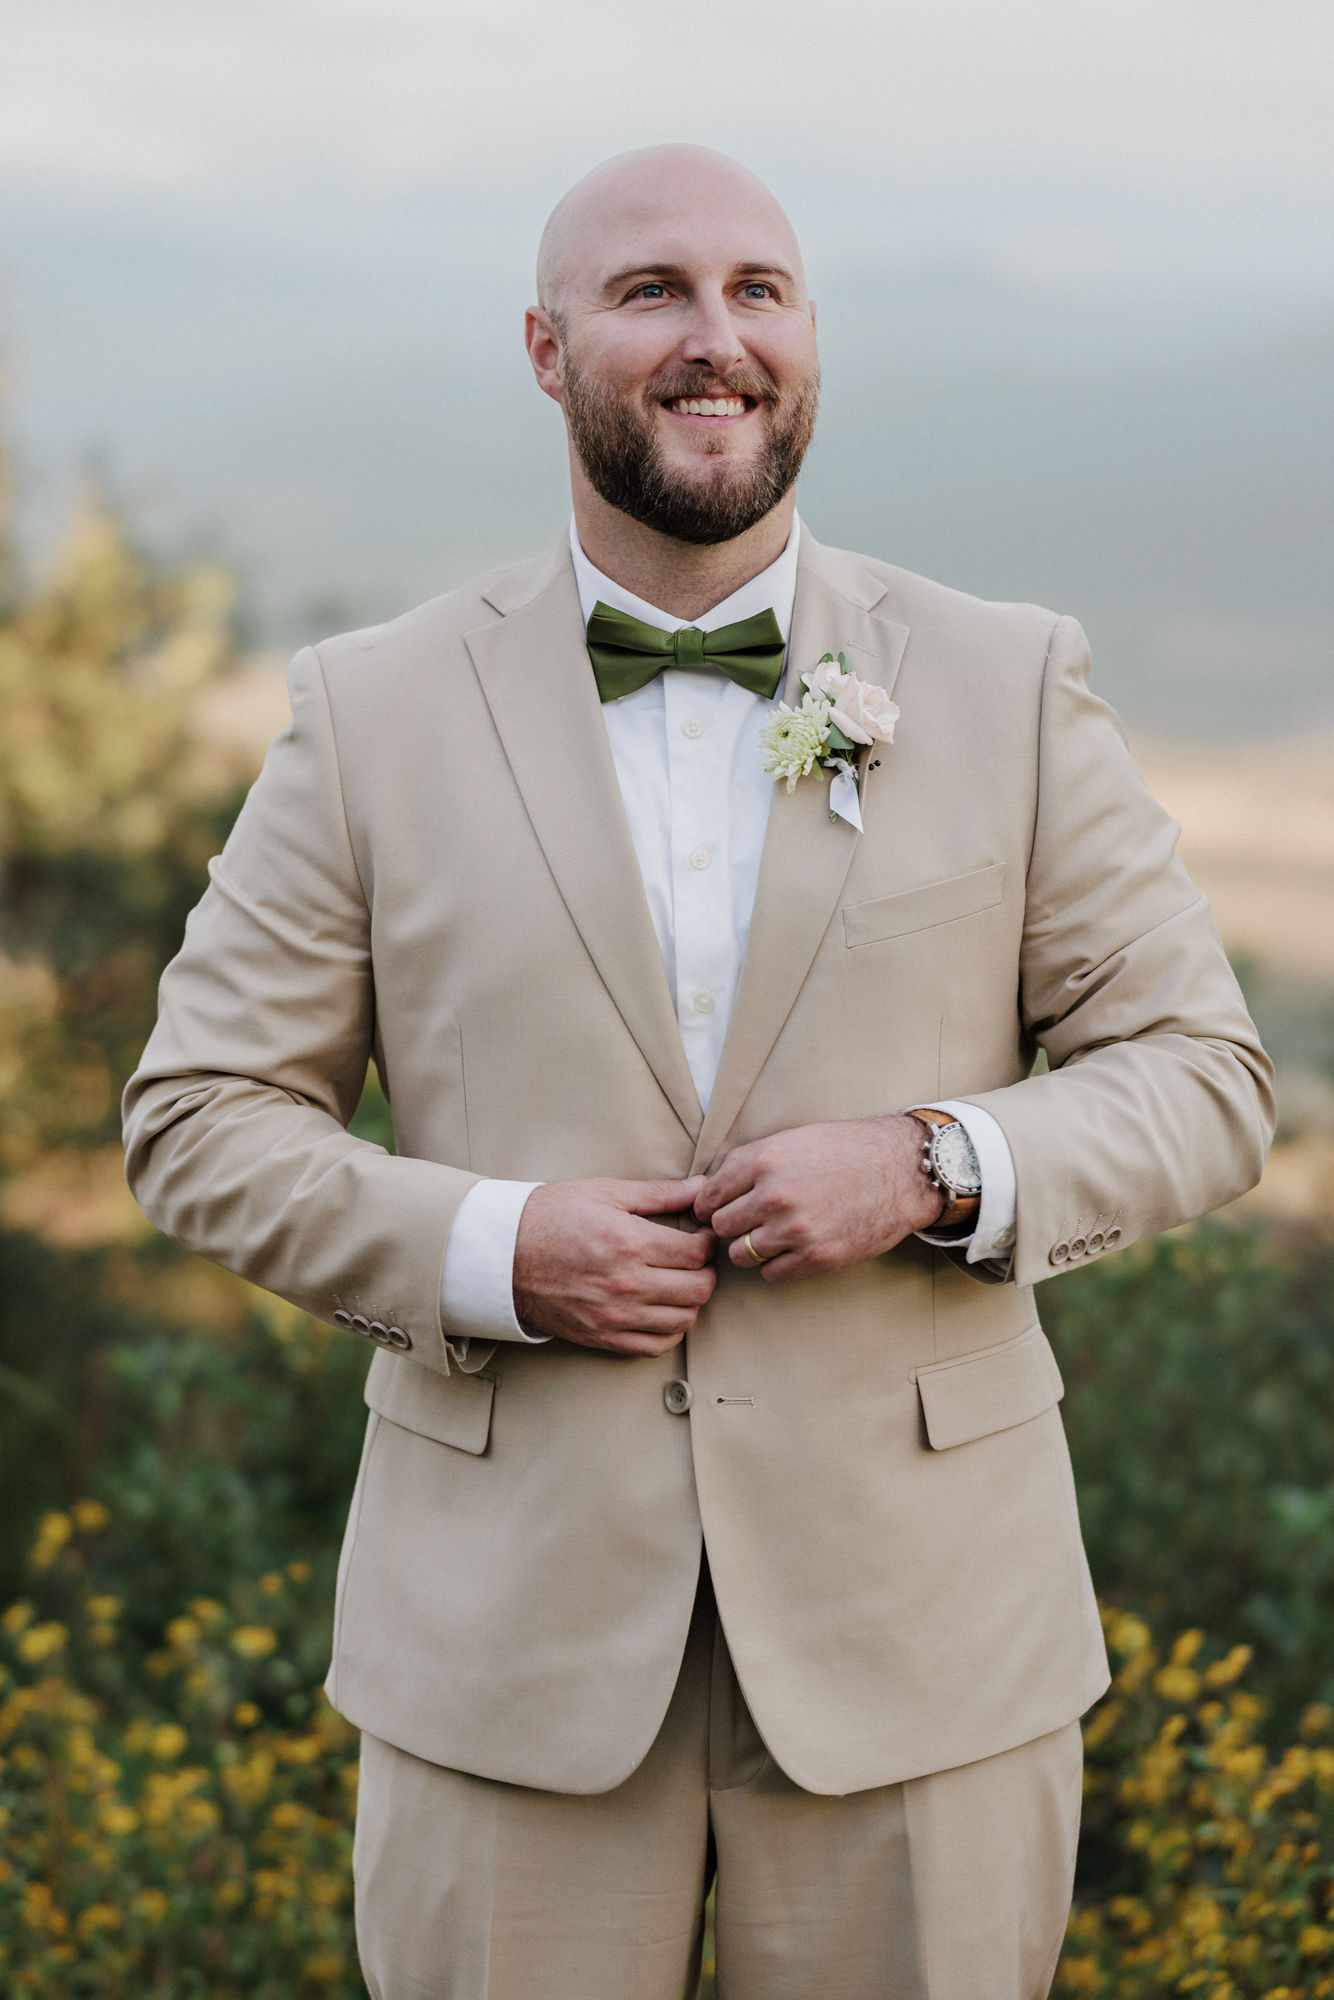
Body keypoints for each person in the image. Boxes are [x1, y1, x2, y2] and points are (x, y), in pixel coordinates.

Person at [122, 145, 1274, 2000]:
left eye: (760, 291)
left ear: (810, 339)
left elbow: (1204, 1074)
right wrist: (494, 1252)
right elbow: (195, 1121)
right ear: (545, 342)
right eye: (651, 289)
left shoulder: (1004, 679)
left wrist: (933, 1162)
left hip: (927, 1645)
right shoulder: (368, 712)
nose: (713, 337)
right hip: (508, 1658)